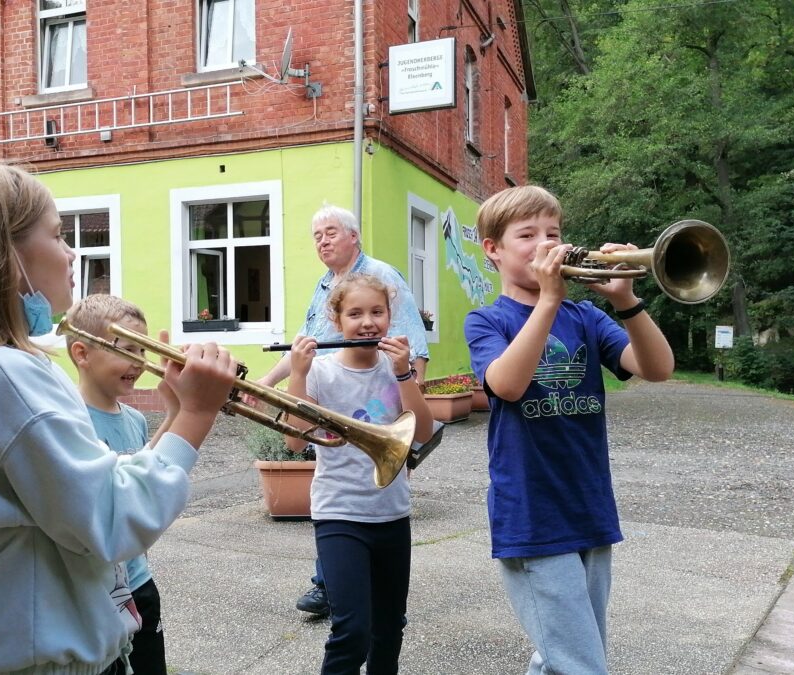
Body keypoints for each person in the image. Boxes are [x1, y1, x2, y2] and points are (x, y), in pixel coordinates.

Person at [0, 161, 238, 675]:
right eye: (59, 235)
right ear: (2, 255)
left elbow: (84, 498)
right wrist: (198, 414)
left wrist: (174, 417)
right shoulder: (5, 374)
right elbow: (112, 521)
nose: (71, 253)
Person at [464, 185, 674, 674]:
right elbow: (507, 385)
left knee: (567, 655)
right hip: (532, 514)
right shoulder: (487, 320)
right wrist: (548, 302)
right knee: (581, 664)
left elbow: (658, 368)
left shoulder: (586, 317)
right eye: (528, 234)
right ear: (493, 249)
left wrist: (627, 300)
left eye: (553, 232)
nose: (546, 243)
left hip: (589, 505)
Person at [255, 203, 430, 617]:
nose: (323, 241)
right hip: (329, 391)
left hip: (381, 393)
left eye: (331, 232)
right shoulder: (325, 286)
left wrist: (403, 434)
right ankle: (331, 581)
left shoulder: (381, 276)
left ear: (354, 236)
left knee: (362, 436)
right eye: (316, 236)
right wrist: (267, 383)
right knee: (339, 462)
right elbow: (306, 345)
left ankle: (333, 583)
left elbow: (413, 342)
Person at [284, 272, 435, 674]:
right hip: (339, 512)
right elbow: (295, 443)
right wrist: (298, 374)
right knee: (352, 629)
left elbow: (422, 432)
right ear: (337, 321)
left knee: (390, 627)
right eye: (355, 313)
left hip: (392, 511)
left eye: (377, 312)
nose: (367, 322)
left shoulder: (396, 368)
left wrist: (405, 374)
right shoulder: (321, 372)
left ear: (390, 316)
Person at [64, 294, 175, 675]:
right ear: (82, 353)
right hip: (95, 592)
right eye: (127, 350)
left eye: (143, 351)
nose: (139, 363)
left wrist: (178, 413)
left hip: (139, 582)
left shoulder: (134, 419)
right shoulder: (68, 421)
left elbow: (147, 476)